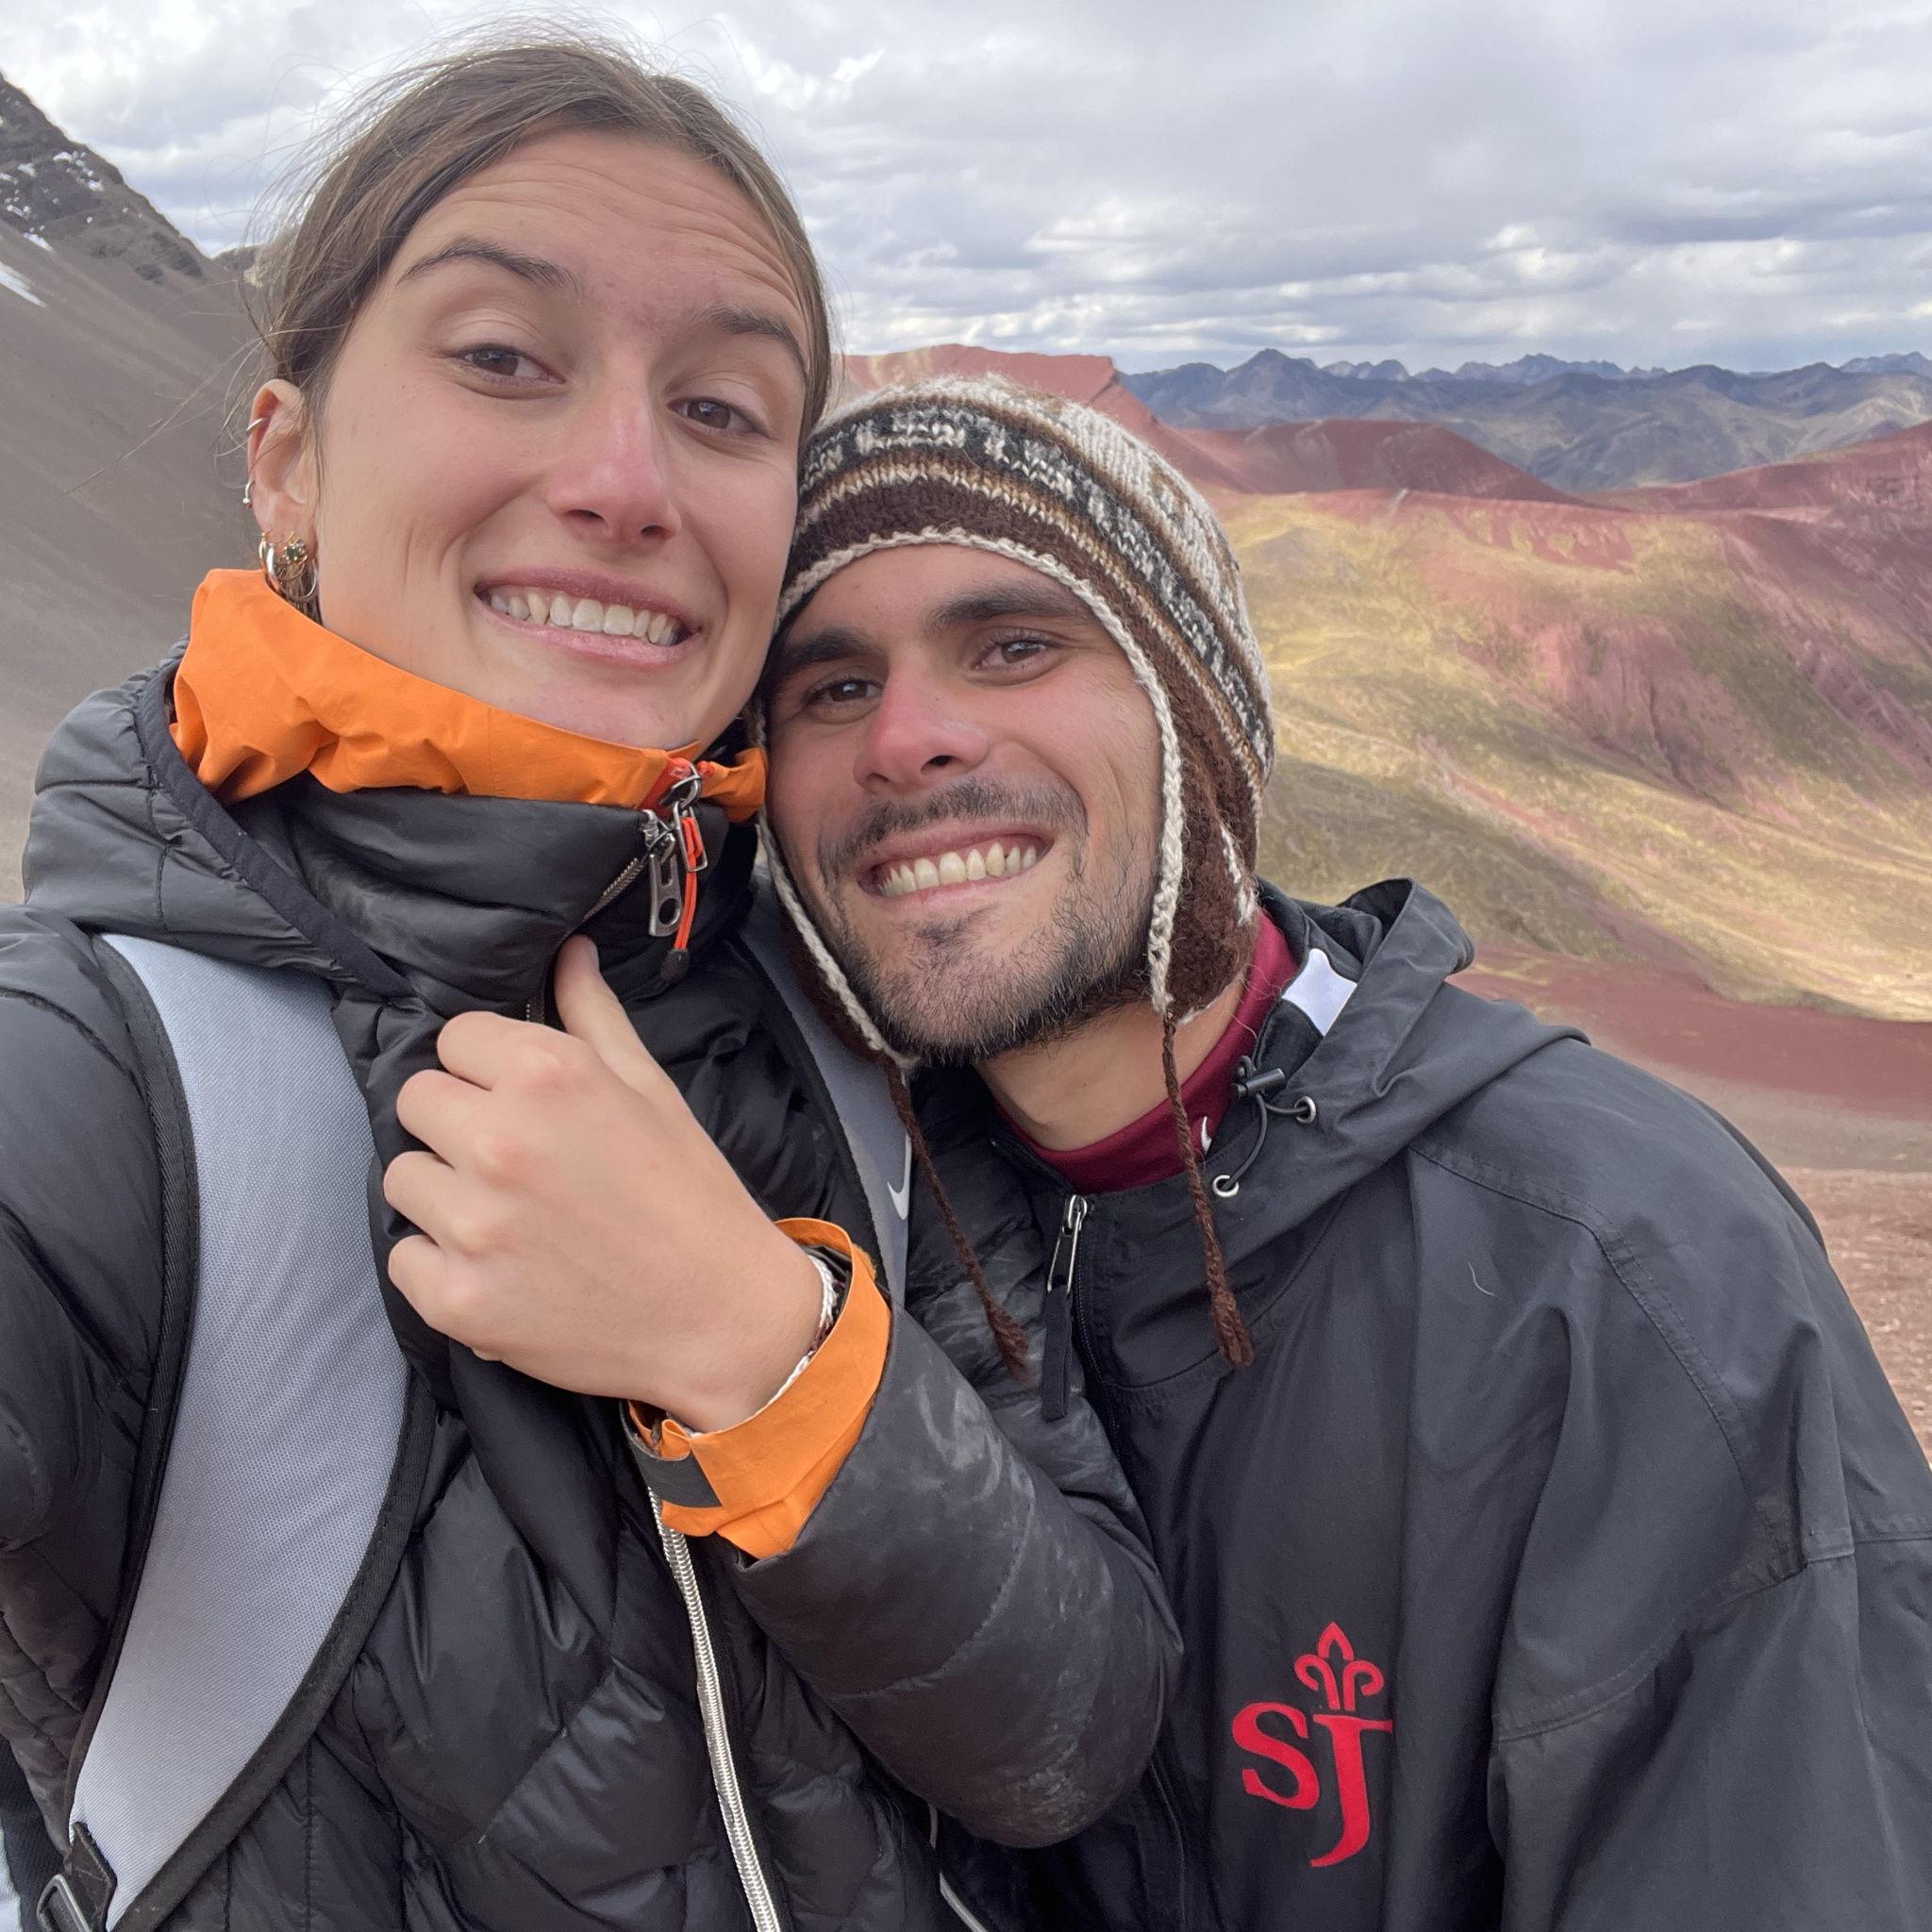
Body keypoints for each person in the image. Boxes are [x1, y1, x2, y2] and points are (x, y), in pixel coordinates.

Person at [0, 55, 1176, 1932]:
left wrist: (760, 1351)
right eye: (500, 358)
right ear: (284, 458)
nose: (626, 482)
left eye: (718, 408)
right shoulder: (100, 1061)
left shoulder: (832, 1013)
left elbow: (1073, 1724)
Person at [758, 375, 1932, 1931]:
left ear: (1201, 717)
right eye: (830, 687)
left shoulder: (1628, 1273)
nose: (906, 739)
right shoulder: (830, 1231)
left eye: (1016, 644)